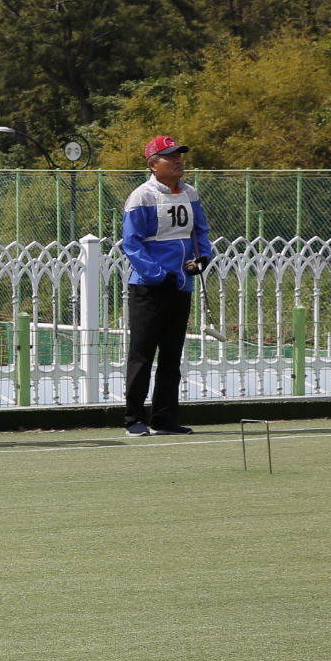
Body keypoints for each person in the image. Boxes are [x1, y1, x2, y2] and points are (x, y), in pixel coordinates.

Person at [121, 135, 213, 437]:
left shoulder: (189, 193)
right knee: (142, 355)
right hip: (149, 288)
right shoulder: (142, 197)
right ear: (153, 164)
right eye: (170, 156)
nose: (178, 161)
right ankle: (134, 418)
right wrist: (160, 274)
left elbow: (200, 230)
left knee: (172, 356)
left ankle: (164, 418)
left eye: (180, 155)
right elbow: (132, 245)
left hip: (181, 285)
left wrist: (203, 258)